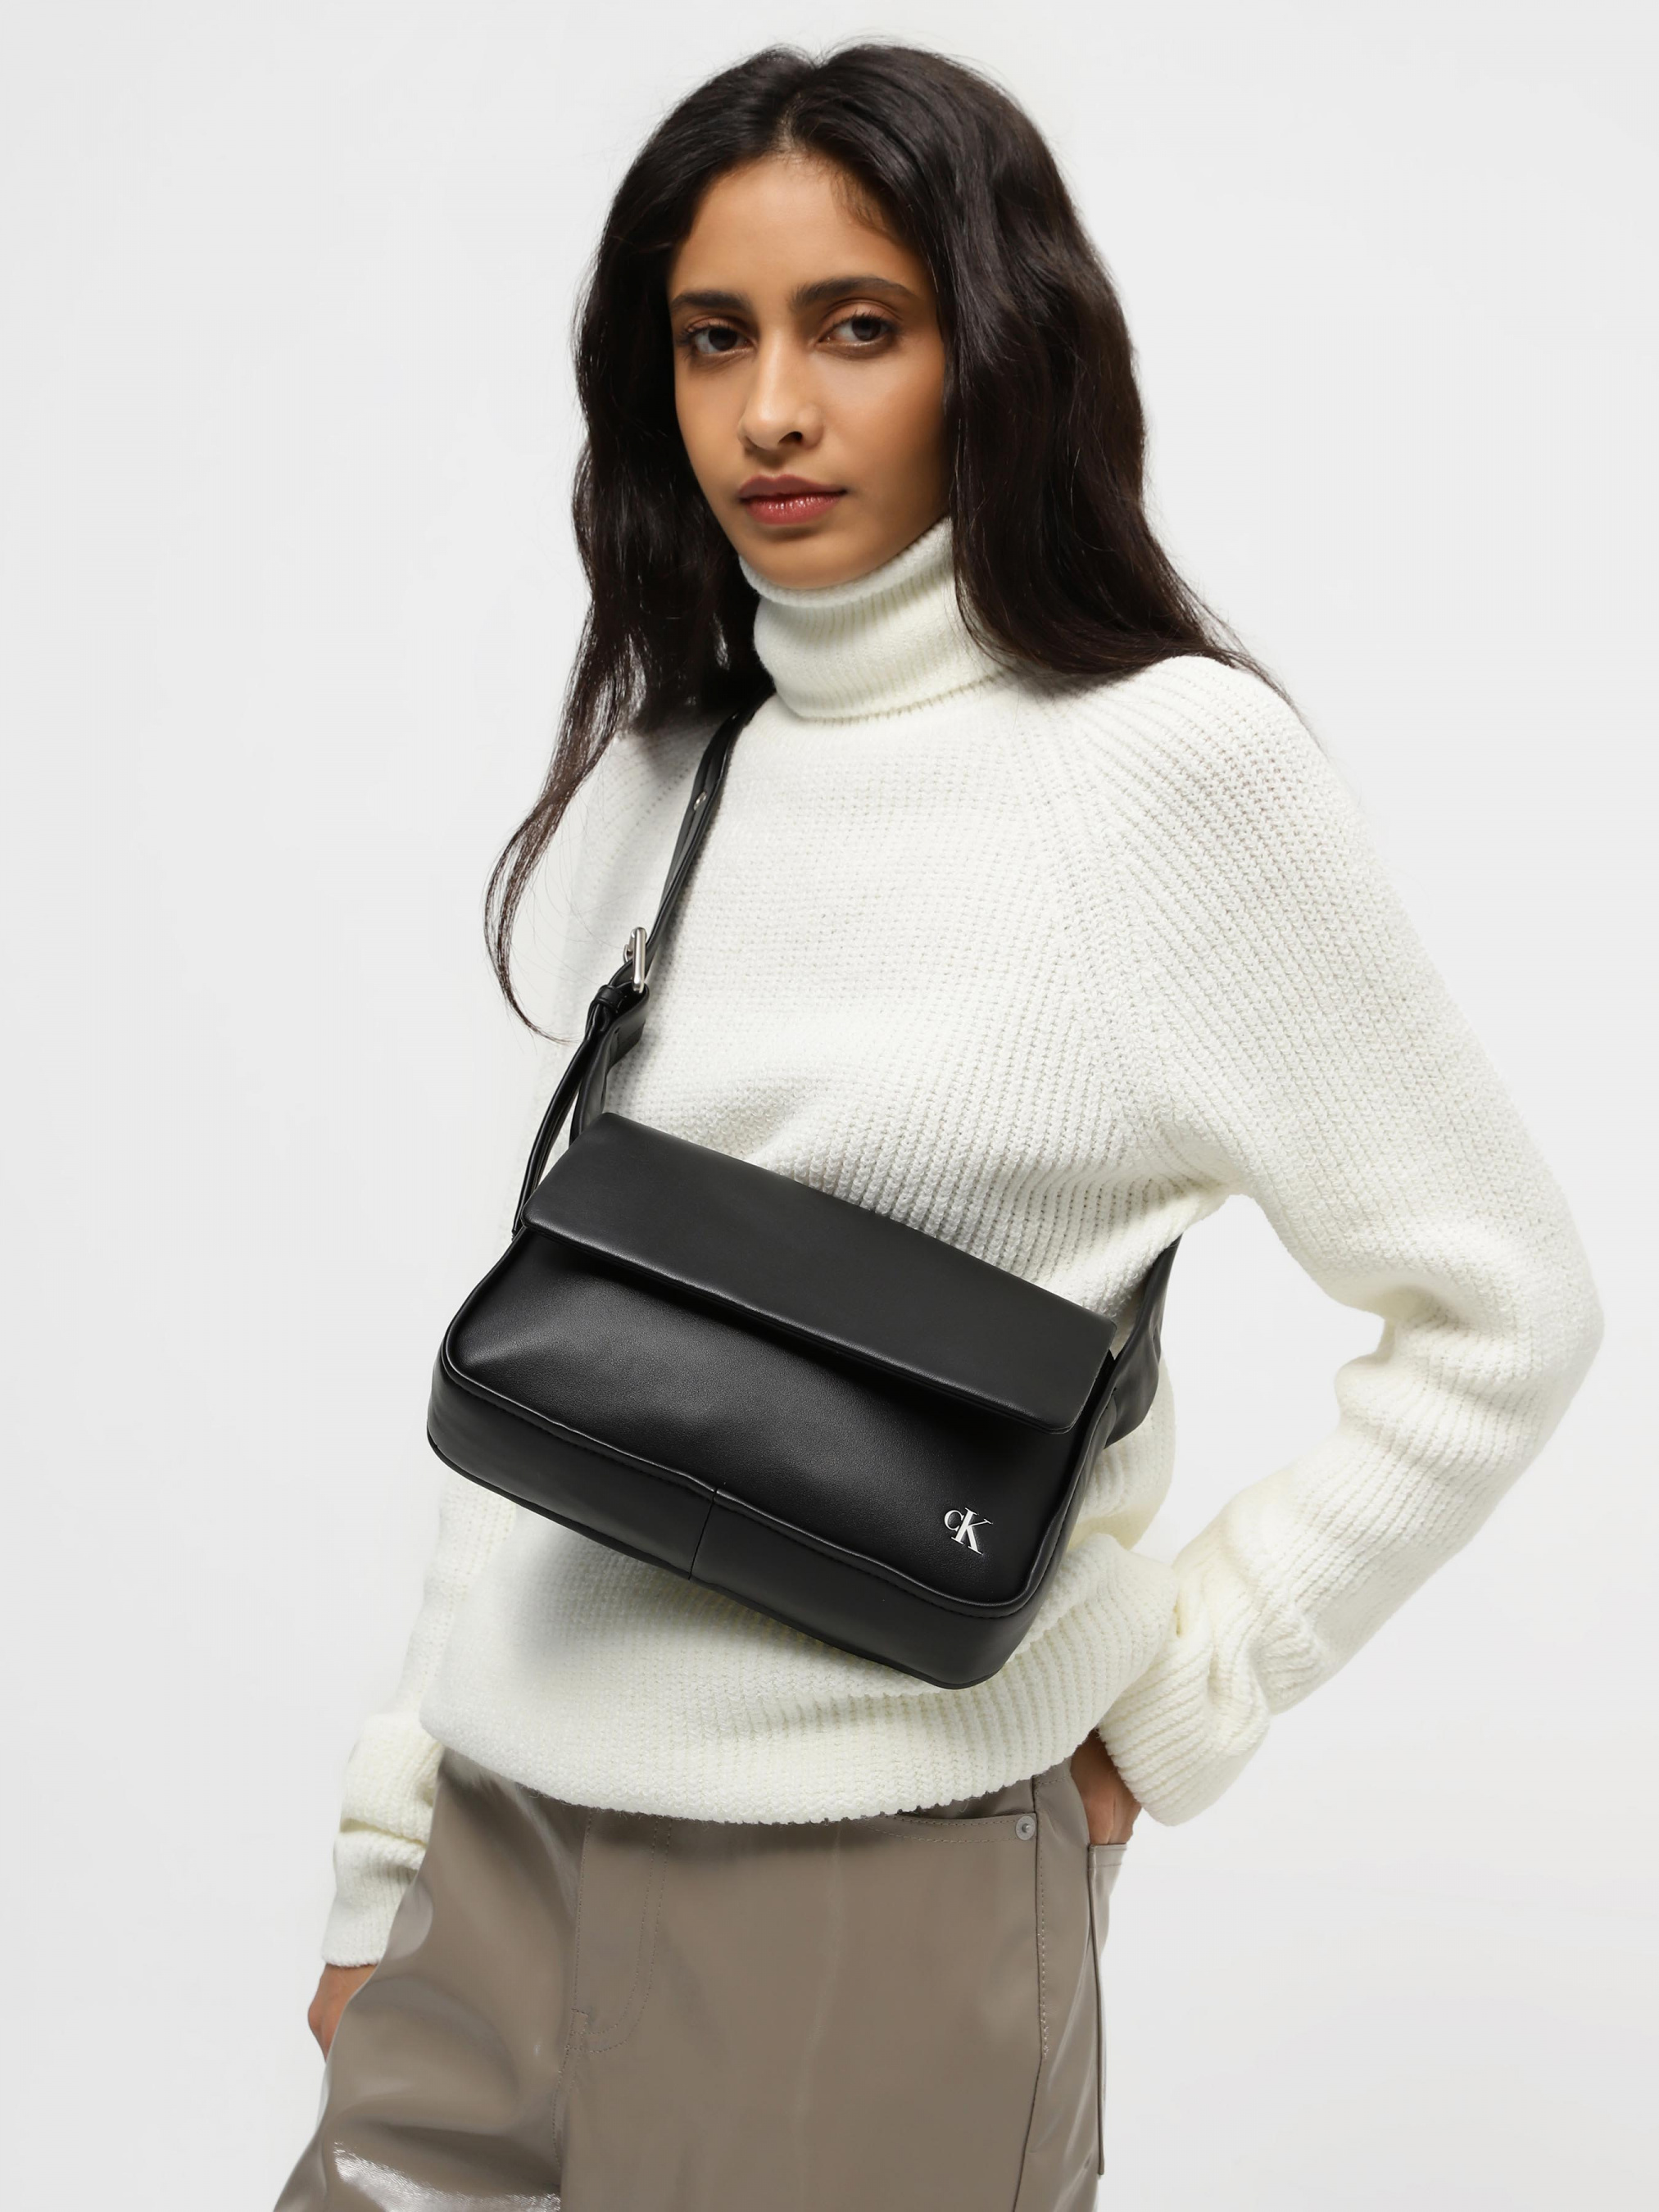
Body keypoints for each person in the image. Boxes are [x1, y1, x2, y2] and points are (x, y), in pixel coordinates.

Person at [277, 42, 1601, 2212]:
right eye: (715, 339)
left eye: (856, 328)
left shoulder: (1163, 775)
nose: (773, 411)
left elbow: (1501, 1310)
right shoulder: (671, 770)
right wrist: (387, 1849)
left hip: (865, 1895)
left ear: (998, 350)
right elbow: (551, 1379)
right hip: (495, 1874)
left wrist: (1175, 1699)